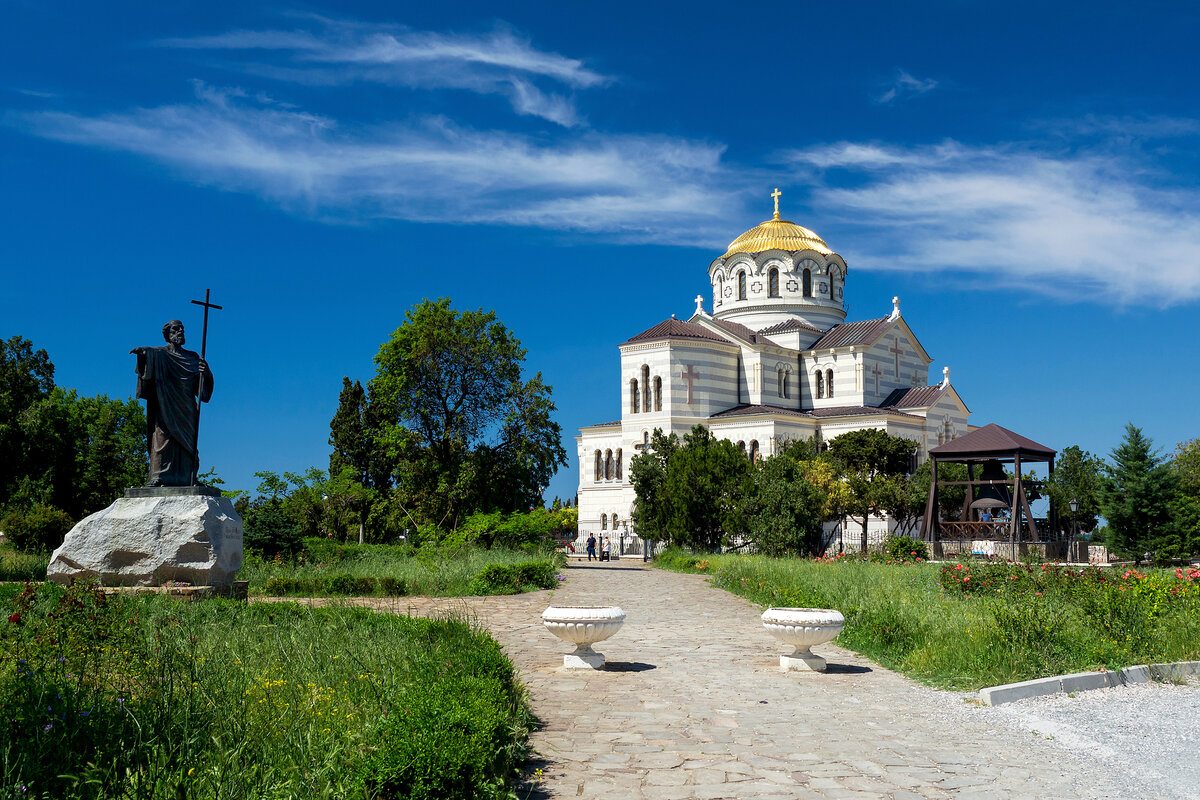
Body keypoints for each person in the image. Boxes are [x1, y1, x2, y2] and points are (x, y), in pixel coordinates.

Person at [130, 320, 213, 486]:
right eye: (176, 328)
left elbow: (202, 392)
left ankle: (189, 478)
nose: (181, 331)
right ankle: (157, 476)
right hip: (165, 403)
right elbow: (149, 354)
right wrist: (143, 354)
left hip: (187, 407)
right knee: (162, 439)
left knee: (188, 444)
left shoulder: (193, 357)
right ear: (167, 334)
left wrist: (207, 373)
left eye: (182, 328)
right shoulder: (160, 354)